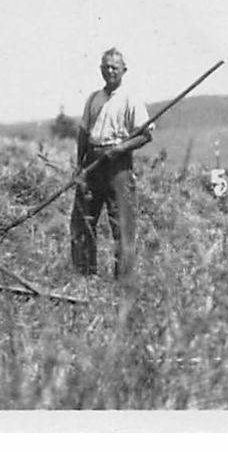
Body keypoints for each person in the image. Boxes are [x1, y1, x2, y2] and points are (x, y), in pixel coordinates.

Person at [70, 47, 153, 280]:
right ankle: (84, 277)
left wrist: (120, 148)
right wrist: (79, 164)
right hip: (92, 163)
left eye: (114, 67)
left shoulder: (131, 99)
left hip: (118, 166)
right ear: (100, 70)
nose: (110, 71)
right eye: (106, 67)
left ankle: (122, 282)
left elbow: (145, 135)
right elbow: (83, 133)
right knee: (82, 220)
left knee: (122, 225)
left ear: (124, 70)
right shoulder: (93, 98)